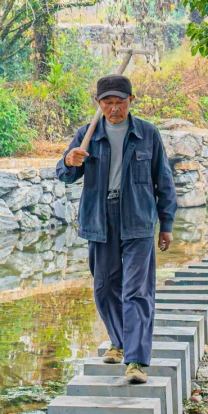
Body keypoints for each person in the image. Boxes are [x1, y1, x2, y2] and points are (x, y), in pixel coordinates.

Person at [56, 74, 177, 383]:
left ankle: (136, 361)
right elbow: (65, 174)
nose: (113, 109)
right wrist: (70, 160)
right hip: (100, 220)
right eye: (107, 103)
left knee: (137, 290)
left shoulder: (147, 135)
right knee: (105, 287)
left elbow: (164, 181)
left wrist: (166, 225)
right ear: (98, 104)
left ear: (131, 101)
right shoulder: (88, 135)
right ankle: (120, 341)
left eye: (119, 102)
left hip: (137, 219)